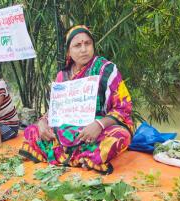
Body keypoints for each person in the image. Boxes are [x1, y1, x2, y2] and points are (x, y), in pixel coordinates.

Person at [19, 25, 133, 174]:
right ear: (69, 51)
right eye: (77, 45)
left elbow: (123, 108)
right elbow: (56, 110)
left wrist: (99, 124)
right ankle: (84, 157)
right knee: (33, 131)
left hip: (98, 128)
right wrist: (43, 122)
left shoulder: (107, 70)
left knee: (119, 136)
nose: (84, 49)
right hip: (70, 128)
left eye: (87, 43)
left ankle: (64, 154)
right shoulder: (62, 76)